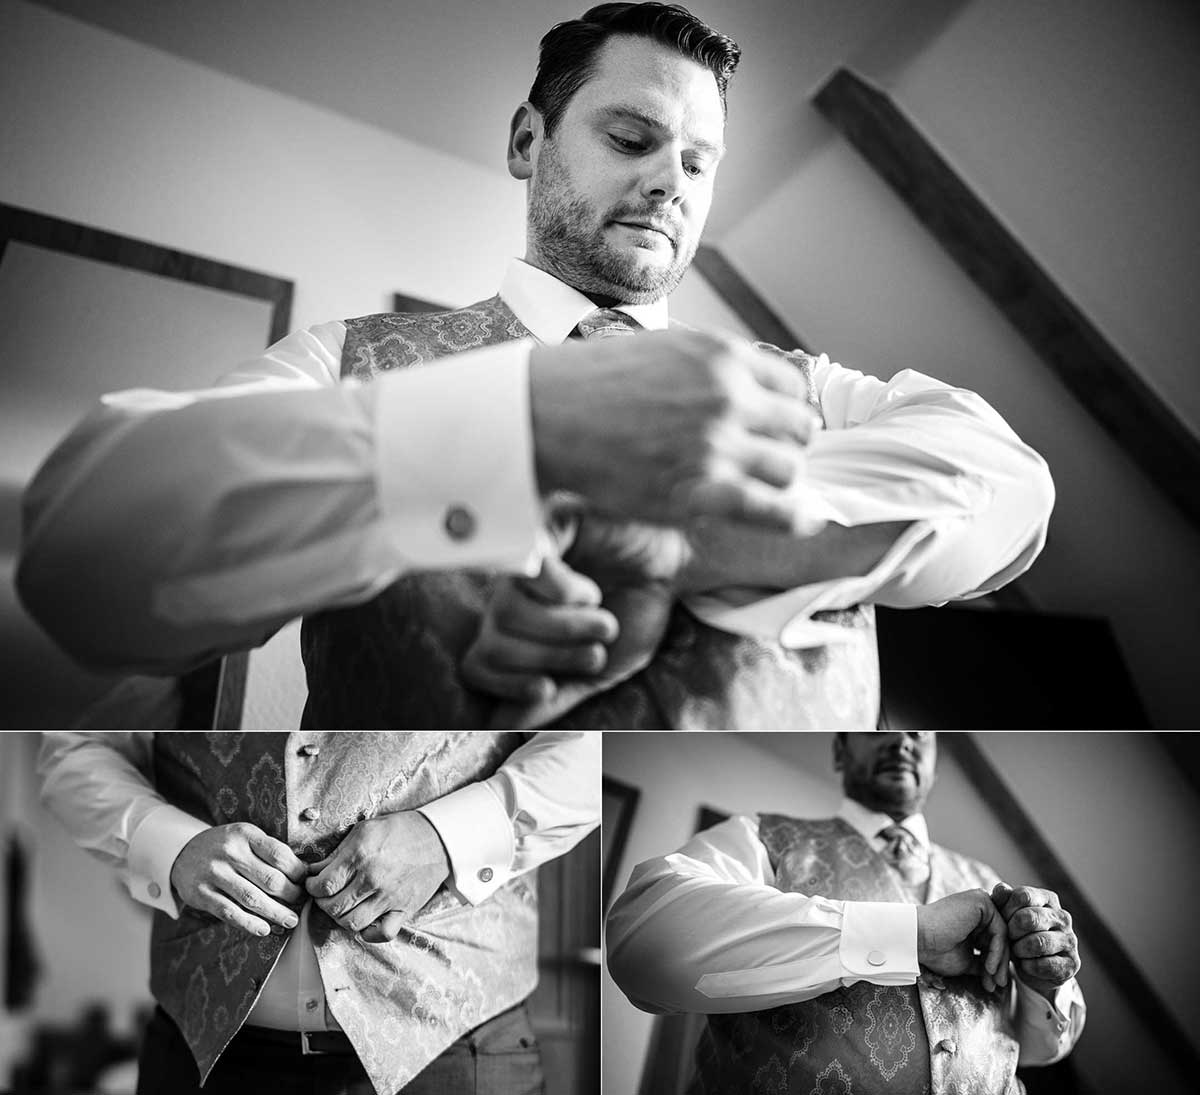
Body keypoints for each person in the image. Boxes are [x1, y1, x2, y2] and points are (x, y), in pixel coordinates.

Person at [17, 4, 1053, 729]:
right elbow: (83, 565)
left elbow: (1011, 488)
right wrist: (515, 429)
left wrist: (679, 534)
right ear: (528, 138)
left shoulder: (805, 390)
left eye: (698, 162)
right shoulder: (347, 363)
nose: (669, 182)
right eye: (632, 136)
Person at [38, 730, 599, 1095]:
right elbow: (76, 746)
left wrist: (442, 838)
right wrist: (171, 844)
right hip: (200, 1055)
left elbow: (589, 745)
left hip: (455, 1055)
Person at [606, 732, 1085, 1094]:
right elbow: (643, 944)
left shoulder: (986, 876)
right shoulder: (762, 837)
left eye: (921, 735)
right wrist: (912, 934)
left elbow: (1043, 1046)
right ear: (839, 751)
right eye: (878, 729)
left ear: (936, 765)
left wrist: (1043, 984)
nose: (901, 741)